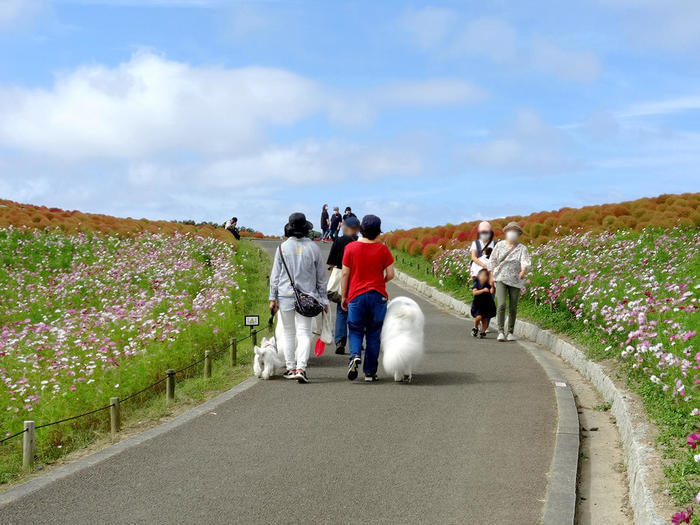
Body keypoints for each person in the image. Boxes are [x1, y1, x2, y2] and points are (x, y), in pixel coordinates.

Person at [269, 213, 329, 383]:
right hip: (308, 297)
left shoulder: (282, 248)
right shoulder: (314, 248)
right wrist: (323, 300)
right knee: (304, 333)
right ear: (305, 229)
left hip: (285, 295)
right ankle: (301, 368)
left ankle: (290, 368)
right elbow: (321, 278)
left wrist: (272, 298)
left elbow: (275, 276)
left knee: (288, 333)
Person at [341, 215, 395, 382]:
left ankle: (355, 355)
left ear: (361, 229)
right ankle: (370, 372)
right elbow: (391, 274)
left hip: (356, 296)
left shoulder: (351, 248)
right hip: (377, 296)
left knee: (355, 330)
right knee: (373, 333)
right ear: (378, 231)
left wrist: (344, 295)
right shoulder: (383, 249)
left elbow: (344, 273)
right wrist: (380, 282)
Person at [488, 222, 531, 342]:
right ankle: (501, 331)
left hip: (516, 280)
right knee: (501, 304)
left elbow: (524, 261)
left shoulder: (522, 248)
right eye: (510, 230)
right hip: (501, 278)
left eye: (515, 231)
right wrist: (491, 277)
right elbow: (492, 261)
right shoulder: (500, 245)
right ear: (506, 232)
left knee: (513, 306)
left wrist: (523, 271)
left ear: (518, 234)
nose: (512, 232)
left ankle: (510, 332)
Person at [326, 216, 361, 354]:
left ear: (345, 227)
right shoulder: (360, 242)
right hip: (357, 278)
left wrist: (331, 277)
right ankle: (357, 341)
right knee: (358, 310)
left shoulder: (339, 241)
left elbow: (332, 263)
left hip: (341, 276)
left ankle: (340, 341)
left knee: (342, 309)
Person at [471, 268, 496, 339]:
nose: (483, 277)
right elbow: (475, 292)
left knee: (485, 319)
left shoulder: (487, 285)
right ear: (478, 276)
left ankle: (483, 331)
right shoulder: (476, 284)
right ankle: (475, 327)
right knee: (478, 317)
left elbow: (492, 292)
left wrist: (493, 285)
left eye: (485, 276)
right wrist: (483, 290)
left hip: (486, 304)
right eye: (481, 275)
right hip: (478, 304)